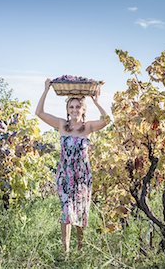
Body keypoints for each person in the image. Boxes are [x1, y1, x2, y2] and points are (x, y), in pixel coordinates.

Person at [35, 78, 109, 254]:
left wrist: (96, 102)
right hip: (65, 176)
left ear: (83, 110)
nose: (74, 110)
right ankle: (66, 252)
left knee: (81, 212)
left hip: (82, 177)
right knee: (67, 211)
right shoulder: (62, 125)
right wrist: (46, 89)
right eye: (71, 107)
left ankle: (81, 248)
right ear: (67, 111)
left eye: (77, 107)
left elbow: (107, 120)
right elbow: (39, 112)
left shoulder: (88, 127)